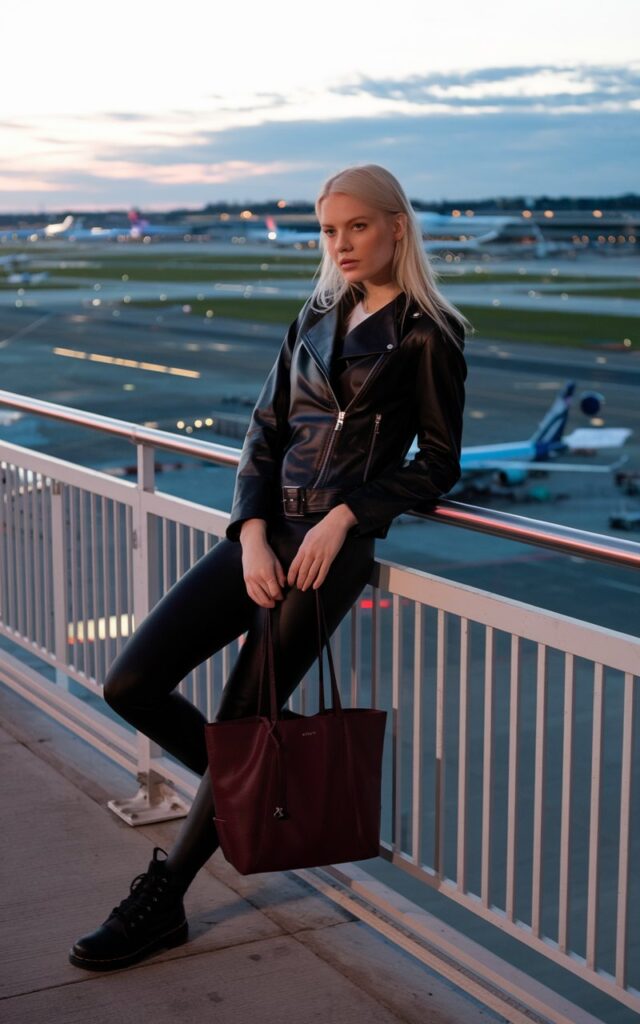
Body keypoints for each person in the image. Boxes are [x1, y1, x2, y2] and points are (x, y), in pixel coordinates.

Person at [69, 163, 469, 971]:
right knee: (132, 685)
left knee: (247, 719)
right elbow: (264, 430)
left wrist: (351, 517)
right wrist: (249, 530)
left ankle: (162, 902)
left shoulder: (429, 332)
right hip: (264, 535)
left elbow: (437, 463)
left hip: (329, 554)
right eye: (330, 230)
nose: (342, 244)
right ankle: (253, 791)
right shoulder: (317, 313)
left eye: (358, 226)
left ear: (397, 225)